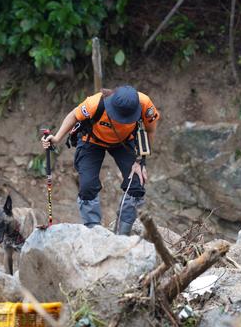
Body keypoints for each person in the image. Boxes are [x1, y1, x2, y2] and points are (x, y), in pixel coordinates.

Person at [41, 85, 160, 235]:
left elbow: (150, 131)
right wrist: (56, 138)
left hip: (124, 142)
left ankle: (122, 235)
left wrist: (140, 161)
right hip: (92, 140)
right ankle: (94, 233)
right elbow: (73, 116)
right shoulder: (94, 103)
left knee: (136, 185)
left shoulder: (145, 104)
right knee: (87, 187)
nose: (122, 121)